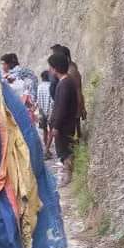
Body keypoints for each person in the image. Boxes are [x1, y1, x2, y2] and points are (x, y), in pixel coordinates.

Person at [46, 50, 79, 185]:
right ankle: (67, 177)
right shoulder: (67, 82)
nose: (49, 69)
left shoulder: (64, 84)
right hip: (66, 124)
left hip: (64, 126)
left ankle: (67, 178)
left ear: (55, 68)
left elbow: (61, 107)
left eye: (50, 67)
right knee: (65, 151)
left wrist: (56, 126)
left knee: (65, 152)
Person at [36, 71, 53, 142]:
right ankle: (47, 148)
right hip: (49, 112)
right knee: (51, 130)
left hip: (41, 112)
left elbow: (38, 99)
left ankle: (46, 146)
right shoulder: (51, 86)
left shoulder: (39, 86)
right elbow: (52, 101)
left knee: (45, 130)